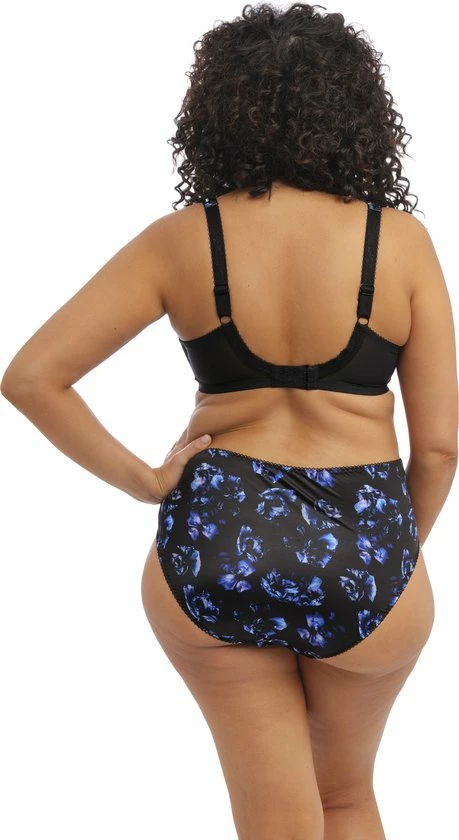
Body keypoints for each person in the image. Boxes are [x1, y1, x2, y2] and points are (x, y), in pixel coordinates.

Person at [1, 3, 457, 838]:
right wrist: (393, 555)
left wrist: (147, 481)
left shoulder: (182, 240)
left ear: (215, 112)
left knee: (275, 820)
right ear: (356, 110)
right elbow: (437, 446)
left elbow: (32, 378)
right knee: (345, 798)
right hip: (365, 543)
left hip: (216, 536)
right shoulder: (398, 243)